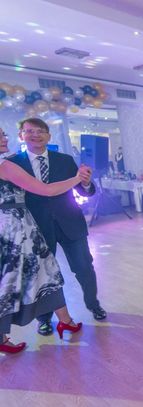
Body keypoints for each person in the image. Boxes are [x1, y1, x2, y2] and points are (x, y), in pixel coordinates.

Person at [9, 118, 107, 336]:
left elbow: (83, 190)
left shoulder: (65, 160)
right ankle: (44, 319)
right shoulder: (13, 164)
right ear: (21, 135)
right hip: (36, 228)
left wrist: (86, 183)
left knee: (84, 267)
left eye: (40, 131)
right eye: (30, 131)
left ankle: (93, 304)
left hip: (70, 223)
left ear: (48, 136)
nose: (36, 135)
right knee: (42, 275)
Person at [0, 129, 83, 354]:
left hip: (8, 229)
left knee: (39, 274)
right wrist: (77, 178)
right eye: (0, 136)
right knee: (40, 274)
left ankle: (65, 320)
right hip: (17, 231)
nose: (5, 138)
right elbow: (46, 190)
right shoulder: (5, 167)